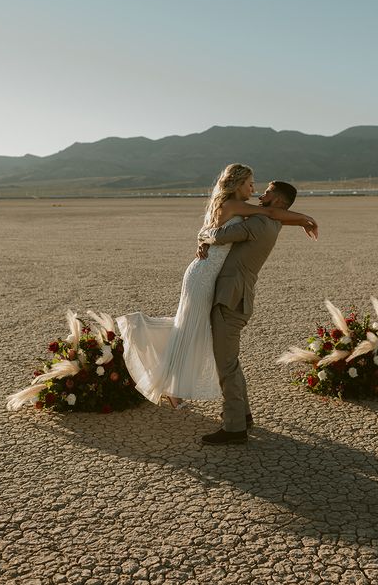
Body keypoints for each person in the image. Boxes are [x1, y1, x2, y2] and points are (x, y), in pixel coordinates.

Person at [116, 164, 317, 409]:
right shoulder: (234, 206)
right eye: (250, 184)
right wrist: (306, 219)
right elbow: (272, 214)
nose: (254, 189)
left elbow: (268, 217)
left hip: (209, 274)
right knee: (191, 328)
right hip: (203, 274)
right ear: (237, 184)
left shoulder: (238, 208)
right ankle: (164, 375)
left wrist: (302, 221)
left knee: (189, 327)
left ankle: (170, 385)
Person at [198, 180, 308, 445]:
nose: (262, 194)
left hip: (231, 299)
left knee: (226, 364)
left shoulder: (260, 223)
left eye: (268, 192)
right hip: (237, 297)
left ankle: (234, 427)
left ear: (279, 201)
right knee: (230, 361)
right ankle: (243, 416)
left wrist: (203, 236)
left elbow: (221, 236)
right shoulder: (271, 222)